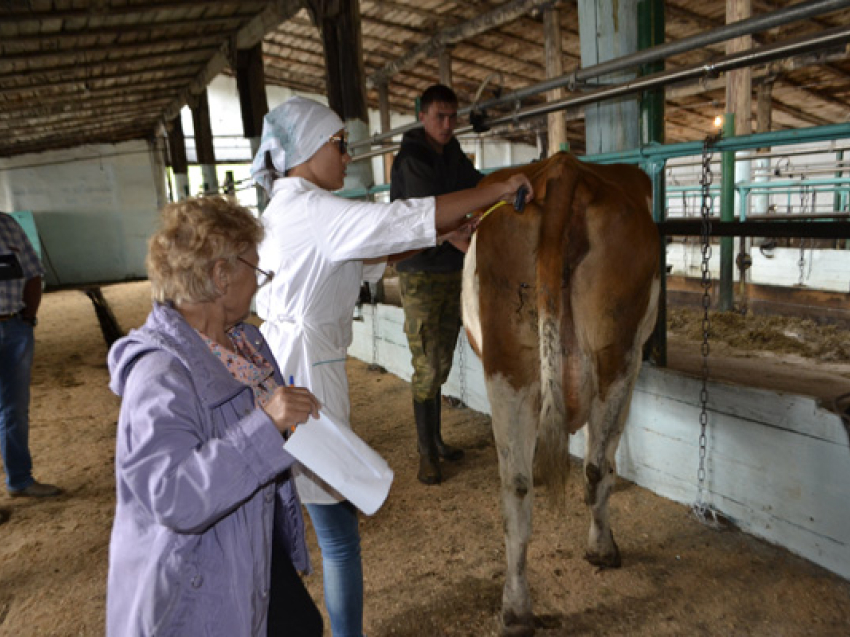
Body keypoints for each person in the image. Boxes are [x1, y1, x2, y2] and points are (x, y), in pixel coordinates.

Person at [251, 95, 532, 637]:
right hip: (306, 378)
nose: (347, 156)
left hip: (289, 367)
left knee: (294, 526)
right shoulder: (313, 211)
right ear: (307, 150)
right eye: (338, 145)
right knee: (337, 535)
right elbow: (396, 218)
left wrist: (441, 233)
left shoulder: (293, 208)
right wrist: (496, 189)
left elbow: (371, 254)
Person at [106, 196, 324, 637]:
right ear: (222, 275)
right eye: (255, 270)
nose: (259, 283)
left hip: (249, 547)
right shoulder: (159, 373)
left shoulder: (245, 343)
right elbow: (172, 496)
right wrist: (267, 426)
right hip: (198, 576)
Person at [390, 84, 483, 485]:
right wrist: (466, 240)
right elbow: (425, 218)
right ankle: (426, 454)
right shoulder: (412, 159)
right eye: (439, 117)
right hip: (422, 271)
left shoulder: (453, 153)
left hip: (452, 270)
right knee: (427, 363)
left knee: (441, 359)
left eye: (452, 116)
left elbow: (476, 186)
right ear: (423, 116)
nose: (447, 124)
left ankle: (437, 441)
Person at [0, 212, 60, 498]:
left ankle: (20, 479)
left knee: (15, 409)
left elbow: (34, 272)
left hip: (14, 328)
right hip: (15, 329)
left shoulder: (8, 225)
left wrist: (27, 319)